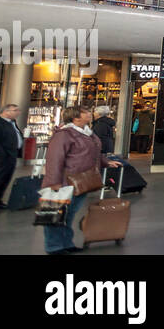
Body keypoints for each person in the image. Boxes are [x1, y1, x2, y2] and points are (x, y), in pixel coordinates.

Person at [41, 105, 122, 254]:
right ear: (75, 117)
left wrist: (105, 161)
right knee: (54, 215)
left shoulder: (87, 133)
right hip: (64, 181)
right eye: (85, 113)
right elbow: (54, 159)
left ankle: (66, 243)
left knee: (69, 214)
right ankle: (54, 247)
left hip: (82, 180)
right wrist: (53, 182)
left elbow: (92, 153)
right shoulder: (64, 135)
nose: (90, 114)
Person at [0, 103, 23, 208]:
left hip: (11, 156)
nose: (18, 112)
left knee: (5, 179)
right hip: (3, 158)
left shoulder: (12, 123)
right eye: (15, 110)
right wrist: (2, 154)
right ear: (6, 112)